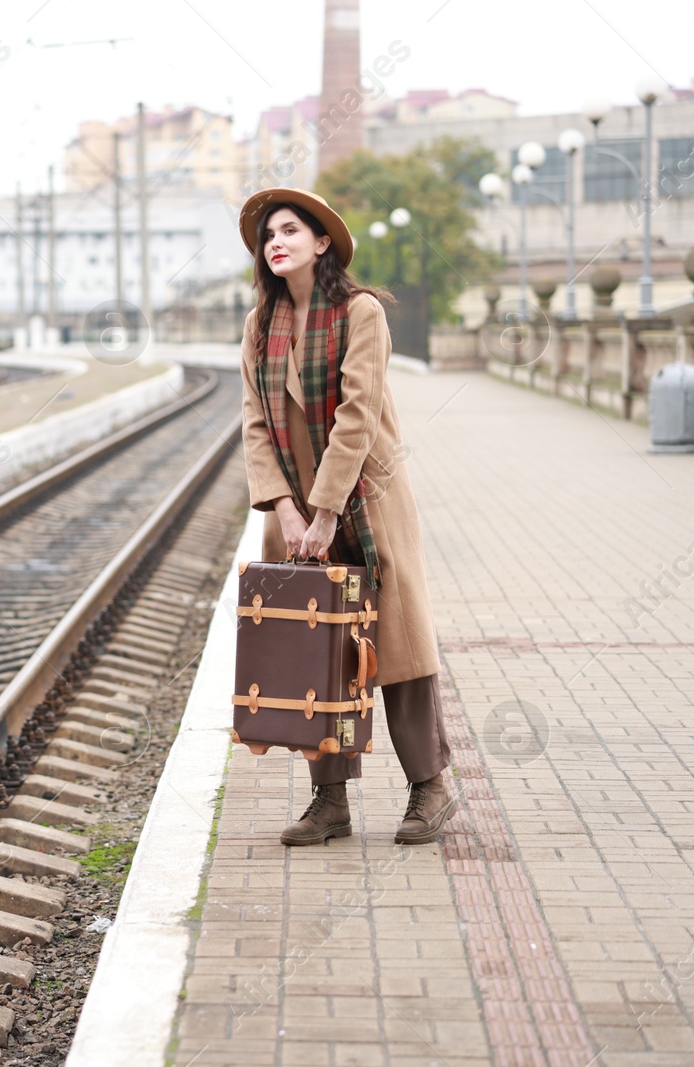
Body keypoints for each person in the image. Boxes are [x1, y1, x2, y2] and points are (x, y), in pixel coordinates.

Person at [235, 188, 457, 848]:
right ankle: (329, 801)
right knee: (314, 648)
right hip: (296, 509)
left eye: (290, 230)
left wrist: (328, 509)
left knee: (398, 646)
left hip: (366, 502)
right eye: (268, 234)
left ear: (322, 241)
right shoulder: (260, 325)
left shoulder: (360, 313)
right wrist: (284, 505)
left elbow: (357, 415)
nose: (276, 241)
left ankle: (430, 788)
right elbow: (254, 425)